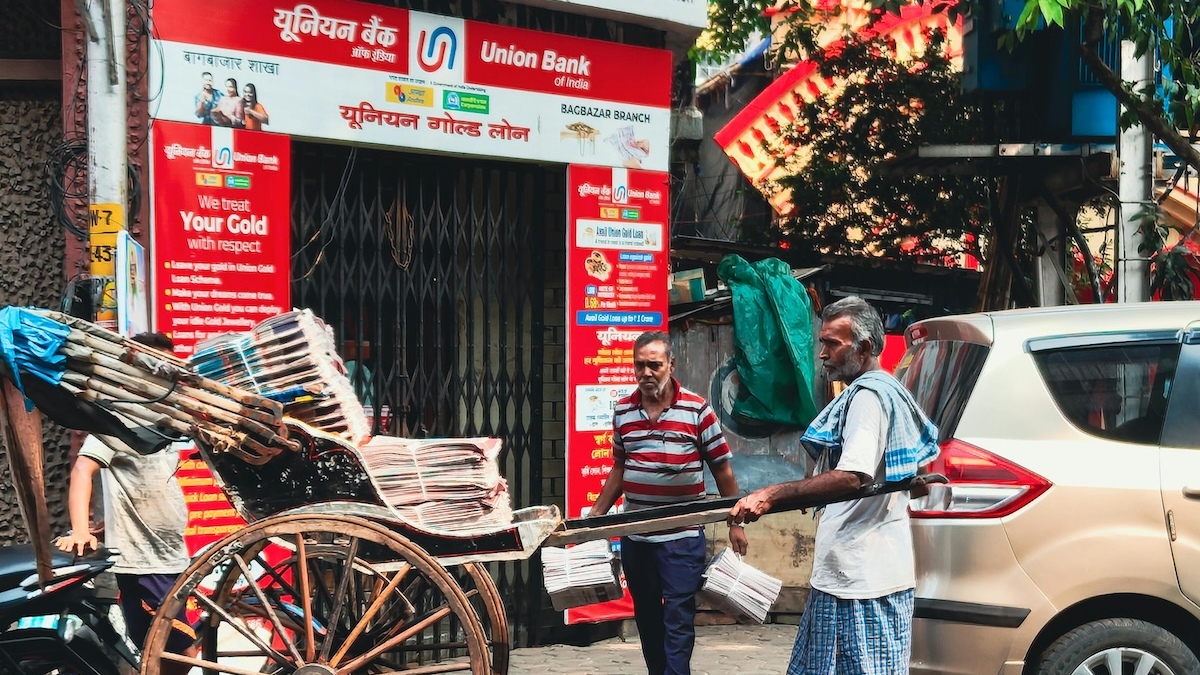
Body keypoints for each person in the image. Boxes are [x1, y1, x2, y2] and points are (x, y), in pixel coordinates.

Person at [728, 296, 939, 675]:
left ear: (865, 347)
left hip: (857, 581)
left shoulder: (868, 398)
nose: (822, 353)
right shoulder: (887, 388)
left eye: (832, 343)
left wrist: (771, 495)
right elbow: (904, 469)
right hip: (864, 574)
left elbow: (852, 475)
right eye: (822, 342)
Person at [590, 330, 747, 675]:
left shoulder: (697, 410)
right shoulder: (624, 412)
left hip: (682, 536)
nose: (646, 373)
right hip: (637, 536)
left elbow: (722, 469)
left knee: (678, 616)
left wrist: (735, 522)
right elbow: (620, 467)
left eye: (654, 365)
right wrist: (595, 517)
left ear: (670, 365)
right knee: (646, 615)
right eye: (639, 365)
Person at [56, 332, 196, 673]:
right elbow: (82, 472)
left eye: (168, 369)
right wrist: (79, 530)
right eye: (155, 367)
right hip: (145, 562)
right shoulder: (115, 423)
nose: (162, 375)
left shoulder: (165, 423)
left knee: (172, 650)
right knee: (178, 651)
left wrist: (107, 526)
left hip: (172, 554)